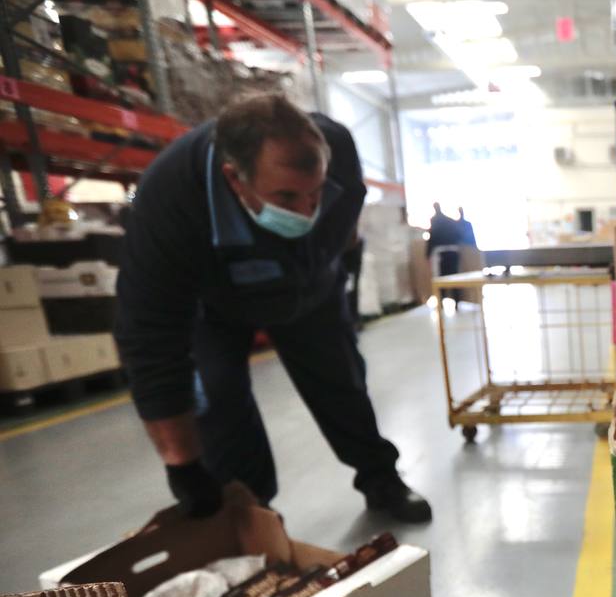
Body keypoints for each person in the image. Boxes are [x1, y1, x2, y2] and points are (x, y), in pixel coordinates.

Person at [116, 93, 432, 522]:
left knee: (342, 383)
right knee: (220, 401)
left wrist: (341, 272)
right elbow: (148, 336)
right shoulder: (169, 201)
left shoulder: (336, 146)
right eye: (286, 197)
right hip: (216, 304)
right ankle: (253, 512)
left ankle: (380, 478)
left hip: (309, 286)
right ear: (234, 179)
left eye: (315, 193)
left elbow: (345, 216)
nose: (305, 210)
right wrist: (183, 466)